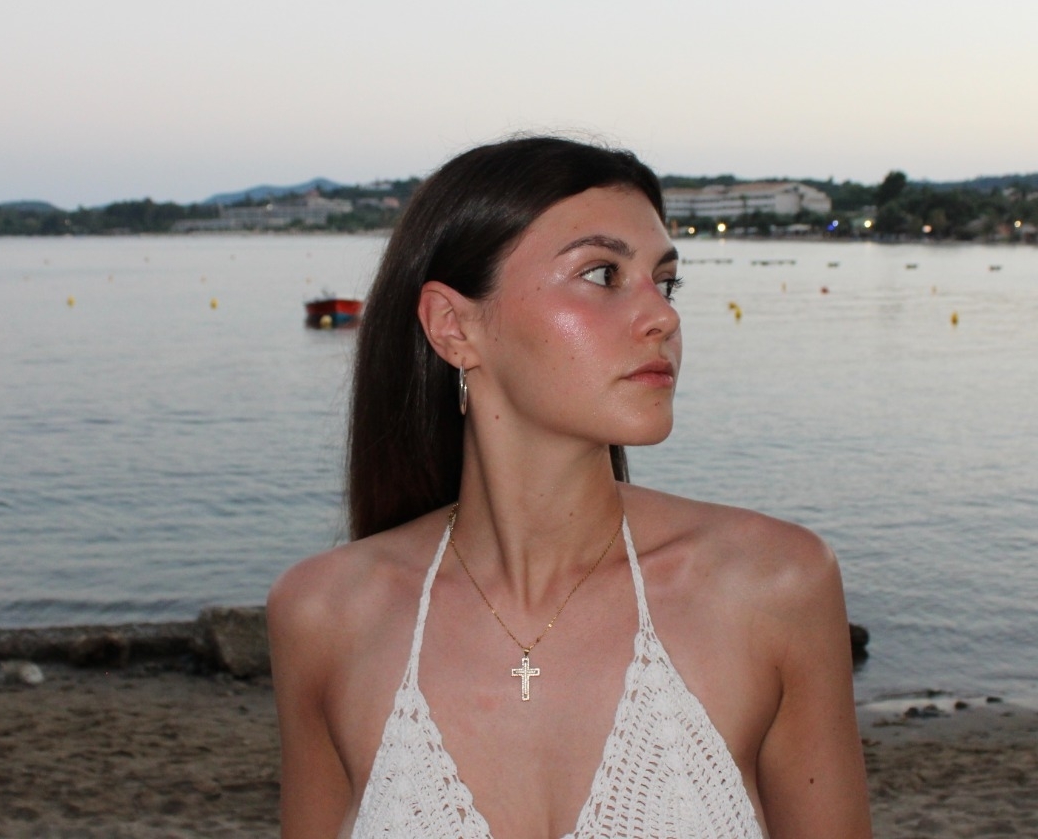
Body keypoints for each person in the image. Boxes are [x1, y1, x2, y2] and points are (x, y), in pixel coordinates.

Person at [268, 135, 872, 839]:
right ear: (453, 327)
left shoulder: (772, 587)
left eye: (665, 281)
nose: (664, 316)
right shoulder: (326, 616)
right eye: (602, 274)